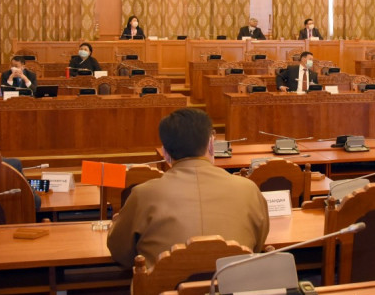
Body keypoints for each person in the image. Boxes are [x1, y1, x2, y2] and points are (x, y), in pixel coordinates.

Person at [107, 108, 269, 269]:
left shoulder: (143, 194)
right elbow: (257, 245)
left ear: (165, 153)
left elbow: (121, 253)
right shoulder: (248, 189)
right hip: (231, 283)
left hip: (166, 285)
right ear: (211, 145)